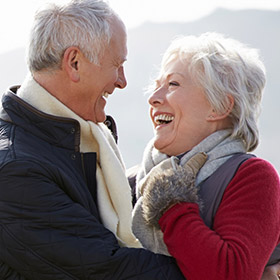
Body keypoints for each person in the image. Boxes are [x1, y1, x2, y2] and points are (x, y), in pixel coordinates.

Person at [0, 0, 186, 279]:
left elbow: (113, 195)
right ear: (74, 63)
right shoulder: (16, 170)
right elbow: (107, 269)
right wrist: (232, 271)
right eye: (117, 65)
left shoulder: (78, 138)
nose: (122, 81)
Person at [131, 32, 280, 279]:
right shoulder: (136, 180)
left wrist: (171, 203)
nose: (154, 98)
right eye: (156, 85)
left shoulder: (252, 177)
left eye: (173, 84)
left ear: (219, 106)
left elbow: (230, 274)